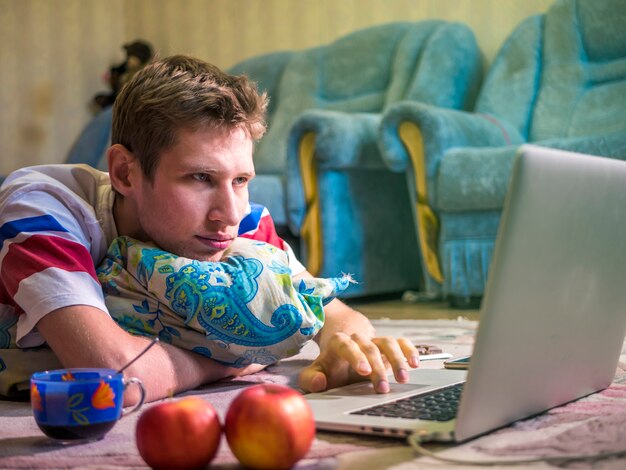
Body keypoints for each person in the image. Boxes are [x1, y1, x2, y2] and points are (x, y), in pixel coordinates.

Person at [0, 55, 420, 405]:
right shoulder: (43, 209)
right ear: (125, 172)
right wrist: (237, 359)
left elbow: (328, 309)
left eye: (240, 179)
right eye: (200, 178)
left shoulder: (245, 220)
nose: (230, 214)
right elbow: (116, 375)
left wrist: (351, 347)